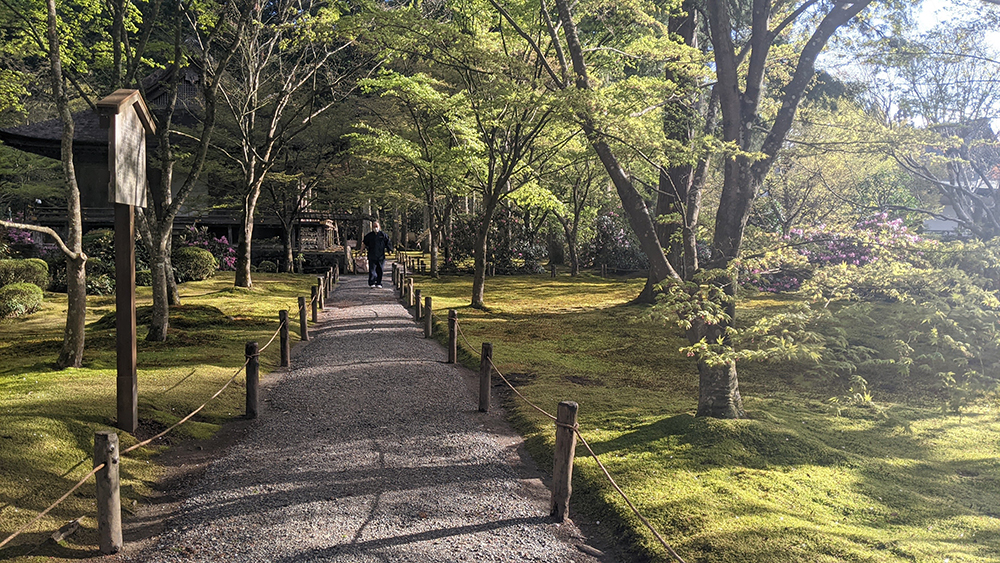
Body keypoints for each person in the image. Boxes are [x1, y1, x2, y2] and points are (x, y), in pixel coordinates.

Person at [361, 221, 392, 288]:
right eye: (374, 226)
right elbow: (364, 243)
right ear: (372, 227)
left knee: (380, 269)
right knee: (372, 270)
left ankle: (379, 282)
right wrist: (361, 251)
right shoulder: (369, 236)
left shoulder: (383, 235)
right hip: (372, 255)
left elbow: (388, 243)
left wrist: (389, 251)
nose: (375, 228)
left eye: (376, 226)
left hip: (381, 256)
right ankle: (372, 282)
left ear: (379, 227)